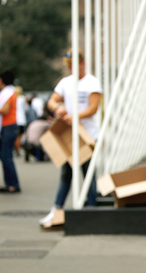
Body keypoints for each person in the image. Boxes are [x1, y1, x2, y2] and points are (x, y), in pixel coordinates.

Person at [39, 49, 102, 225]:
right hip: (70, 135)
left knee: (88, 173)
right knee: (66, 173)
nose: (71, 70)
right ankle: (56, 209)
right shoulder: (65, 83)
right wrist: (58, 108)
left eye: (73, 65)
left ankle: (91, 210)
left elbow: (93, 107)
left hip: (88, 135)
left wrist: (76, 116)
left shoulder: (92, 83)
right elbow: (52, 100)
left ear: (82, 64)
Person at [0, 71, 21, 193]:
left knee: (6, 156)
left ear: (2, 80)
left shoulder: (9, 93)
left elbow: (5, 110)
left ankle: (13, 184)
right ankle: (9, 183)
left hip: (9, 126)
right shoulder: (7, 92)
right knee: (5, 156)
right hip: (7, 126)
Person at [14, 86, 27, 156]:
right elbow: (26, 108)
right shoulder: (22, 98)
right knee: (19, 137)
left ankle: (15, 149)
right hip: (22, 120)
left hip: (14, 120)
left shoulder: (13, 98)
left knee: (14, 136)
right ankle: (17, 150)